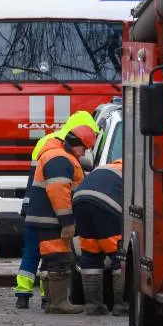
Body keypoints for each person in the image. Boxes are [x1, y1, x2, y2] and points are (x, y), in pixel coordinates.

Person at [13, 111, 100, 309]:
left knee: (34, 254)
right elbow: (58, 191)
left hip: (34, 210)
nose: (85, 153)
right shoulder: (61, 156)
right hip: (50, 217)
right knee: (54, 257)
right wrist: (67, 220)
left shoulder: (48, 143)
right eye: (84, 148)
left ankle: (26, 295)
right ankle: (52, 300)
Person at [72, 158, 126, 316]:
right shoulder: (133, 172)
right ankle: (122, 306)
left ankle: (93, 306)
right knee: (119, 256)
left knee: (90, 254)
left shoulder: (104, 168)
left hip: (80, 200)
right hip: (106, 204)